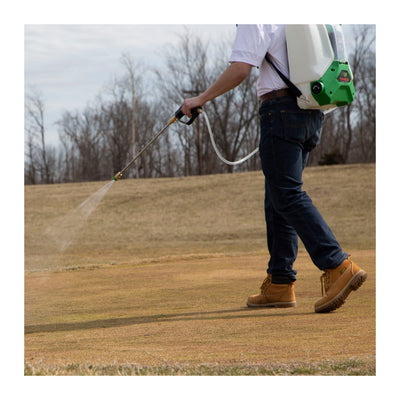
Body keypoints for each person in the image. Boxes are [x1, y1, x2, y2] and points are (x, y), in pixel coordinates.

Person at [181, 24, 367, 313]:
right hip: (310, 112)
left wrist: (200, 98)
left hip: (279, 110)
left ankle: (337, 265)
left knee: (286, 195)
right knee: (277, 196)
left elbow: (240, 69)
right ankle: (280, 283)